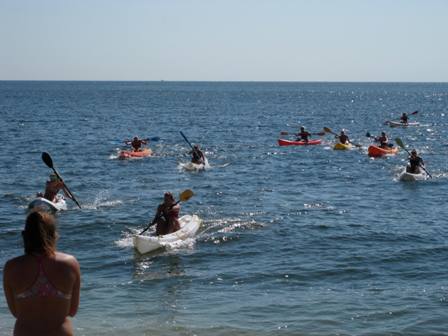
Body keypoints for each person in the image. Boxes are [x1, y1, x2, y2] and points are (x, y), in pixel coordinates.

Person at [3, 211, 81, 336]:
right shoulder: (70, 264)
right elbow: (72, 311)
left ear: (25, 236)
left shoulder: (11, 267)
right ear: (54, 235)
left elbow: (15, 312)